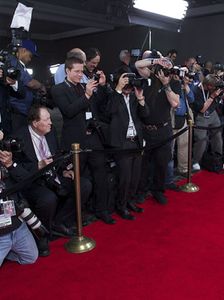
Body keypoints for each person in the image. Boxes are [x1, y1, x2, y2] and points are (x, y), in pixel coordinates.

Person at [10, 105, 92, 237]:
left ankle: (60, 222)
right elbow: (15, 168)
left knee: (84, 185)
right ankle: (43, 232)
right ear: (35, 123)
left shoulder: (50, 131)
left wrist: (64, 170)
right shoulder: (19, 138)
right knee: (48, 198)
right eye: (47, 119)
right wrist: (38, 166)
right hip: (34, 180)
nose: (51, 122)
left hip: (54, 175)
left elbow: (56, 154)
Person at [51, 57, 114, 224]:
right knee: (79, 181)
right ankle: (75, 216)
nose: (80, 75)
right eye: (76, 72)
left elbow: (99, 106)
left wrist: (100, 86)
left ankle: (102, 210)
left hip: (93, 138)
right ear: (67, 71)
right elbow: (69, 111)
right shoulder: (58, 89)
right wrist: (87, 94)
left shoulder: (84, 87)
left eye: (81, 71)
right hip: (75, 142)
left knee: (100, 175)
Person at [135, 50, 180, 204]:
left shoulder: (174, 82)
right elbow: (137, 64)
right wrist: (157, 61)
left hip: (163, 130)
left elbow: (175, 103)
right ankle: (142, 191)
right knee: (144, 165)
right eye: (164, 66)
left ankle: (158, 191)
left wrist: (166, 84)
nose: (165, 70)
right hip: (146, 130)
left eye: (168, 67)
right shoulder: (149, 77)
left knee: (161, 163)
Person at [105, 67, 149, 219]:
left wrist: (141, 98)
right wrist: (117, 89)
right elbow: (109, 112)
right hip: (121, 143)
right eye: (126, 82)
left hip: (136, 141)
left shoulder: (134, 97)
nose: (129, 85)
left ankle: (130, 201)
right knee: (125, 178)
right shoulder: (112, 96)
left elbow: (146, 115)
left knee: (135, 176)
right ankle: (121, 205)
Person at [8, 39, 46, 133]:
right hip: (16, 111)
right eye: (30, 55)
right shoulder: (13, 62)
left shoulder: (20, 65)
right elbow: (30, 83)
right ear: (23, 50)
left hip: (22, 110)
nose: (30, 59)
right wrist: (41, 86)